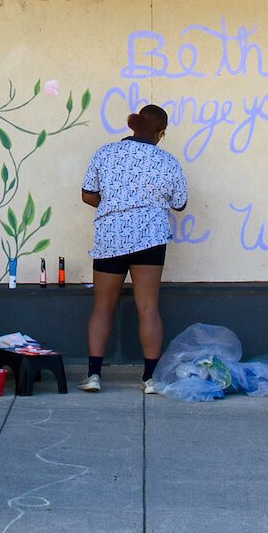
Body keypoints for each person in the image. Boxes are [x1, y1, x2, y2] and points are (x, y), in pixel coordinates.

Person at [77, 104, 188, 395]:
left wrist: (115, 206)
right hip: (150, 237)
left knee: (102, 306)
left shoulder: (105, 153)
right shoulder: (168, 161)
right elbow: (179, 203)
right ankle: (150, 379)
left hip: (110, 236)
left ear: (134, 126)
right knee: (148, 307)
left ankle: (93, 376)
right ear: (161, 133)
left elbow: (88, 194)